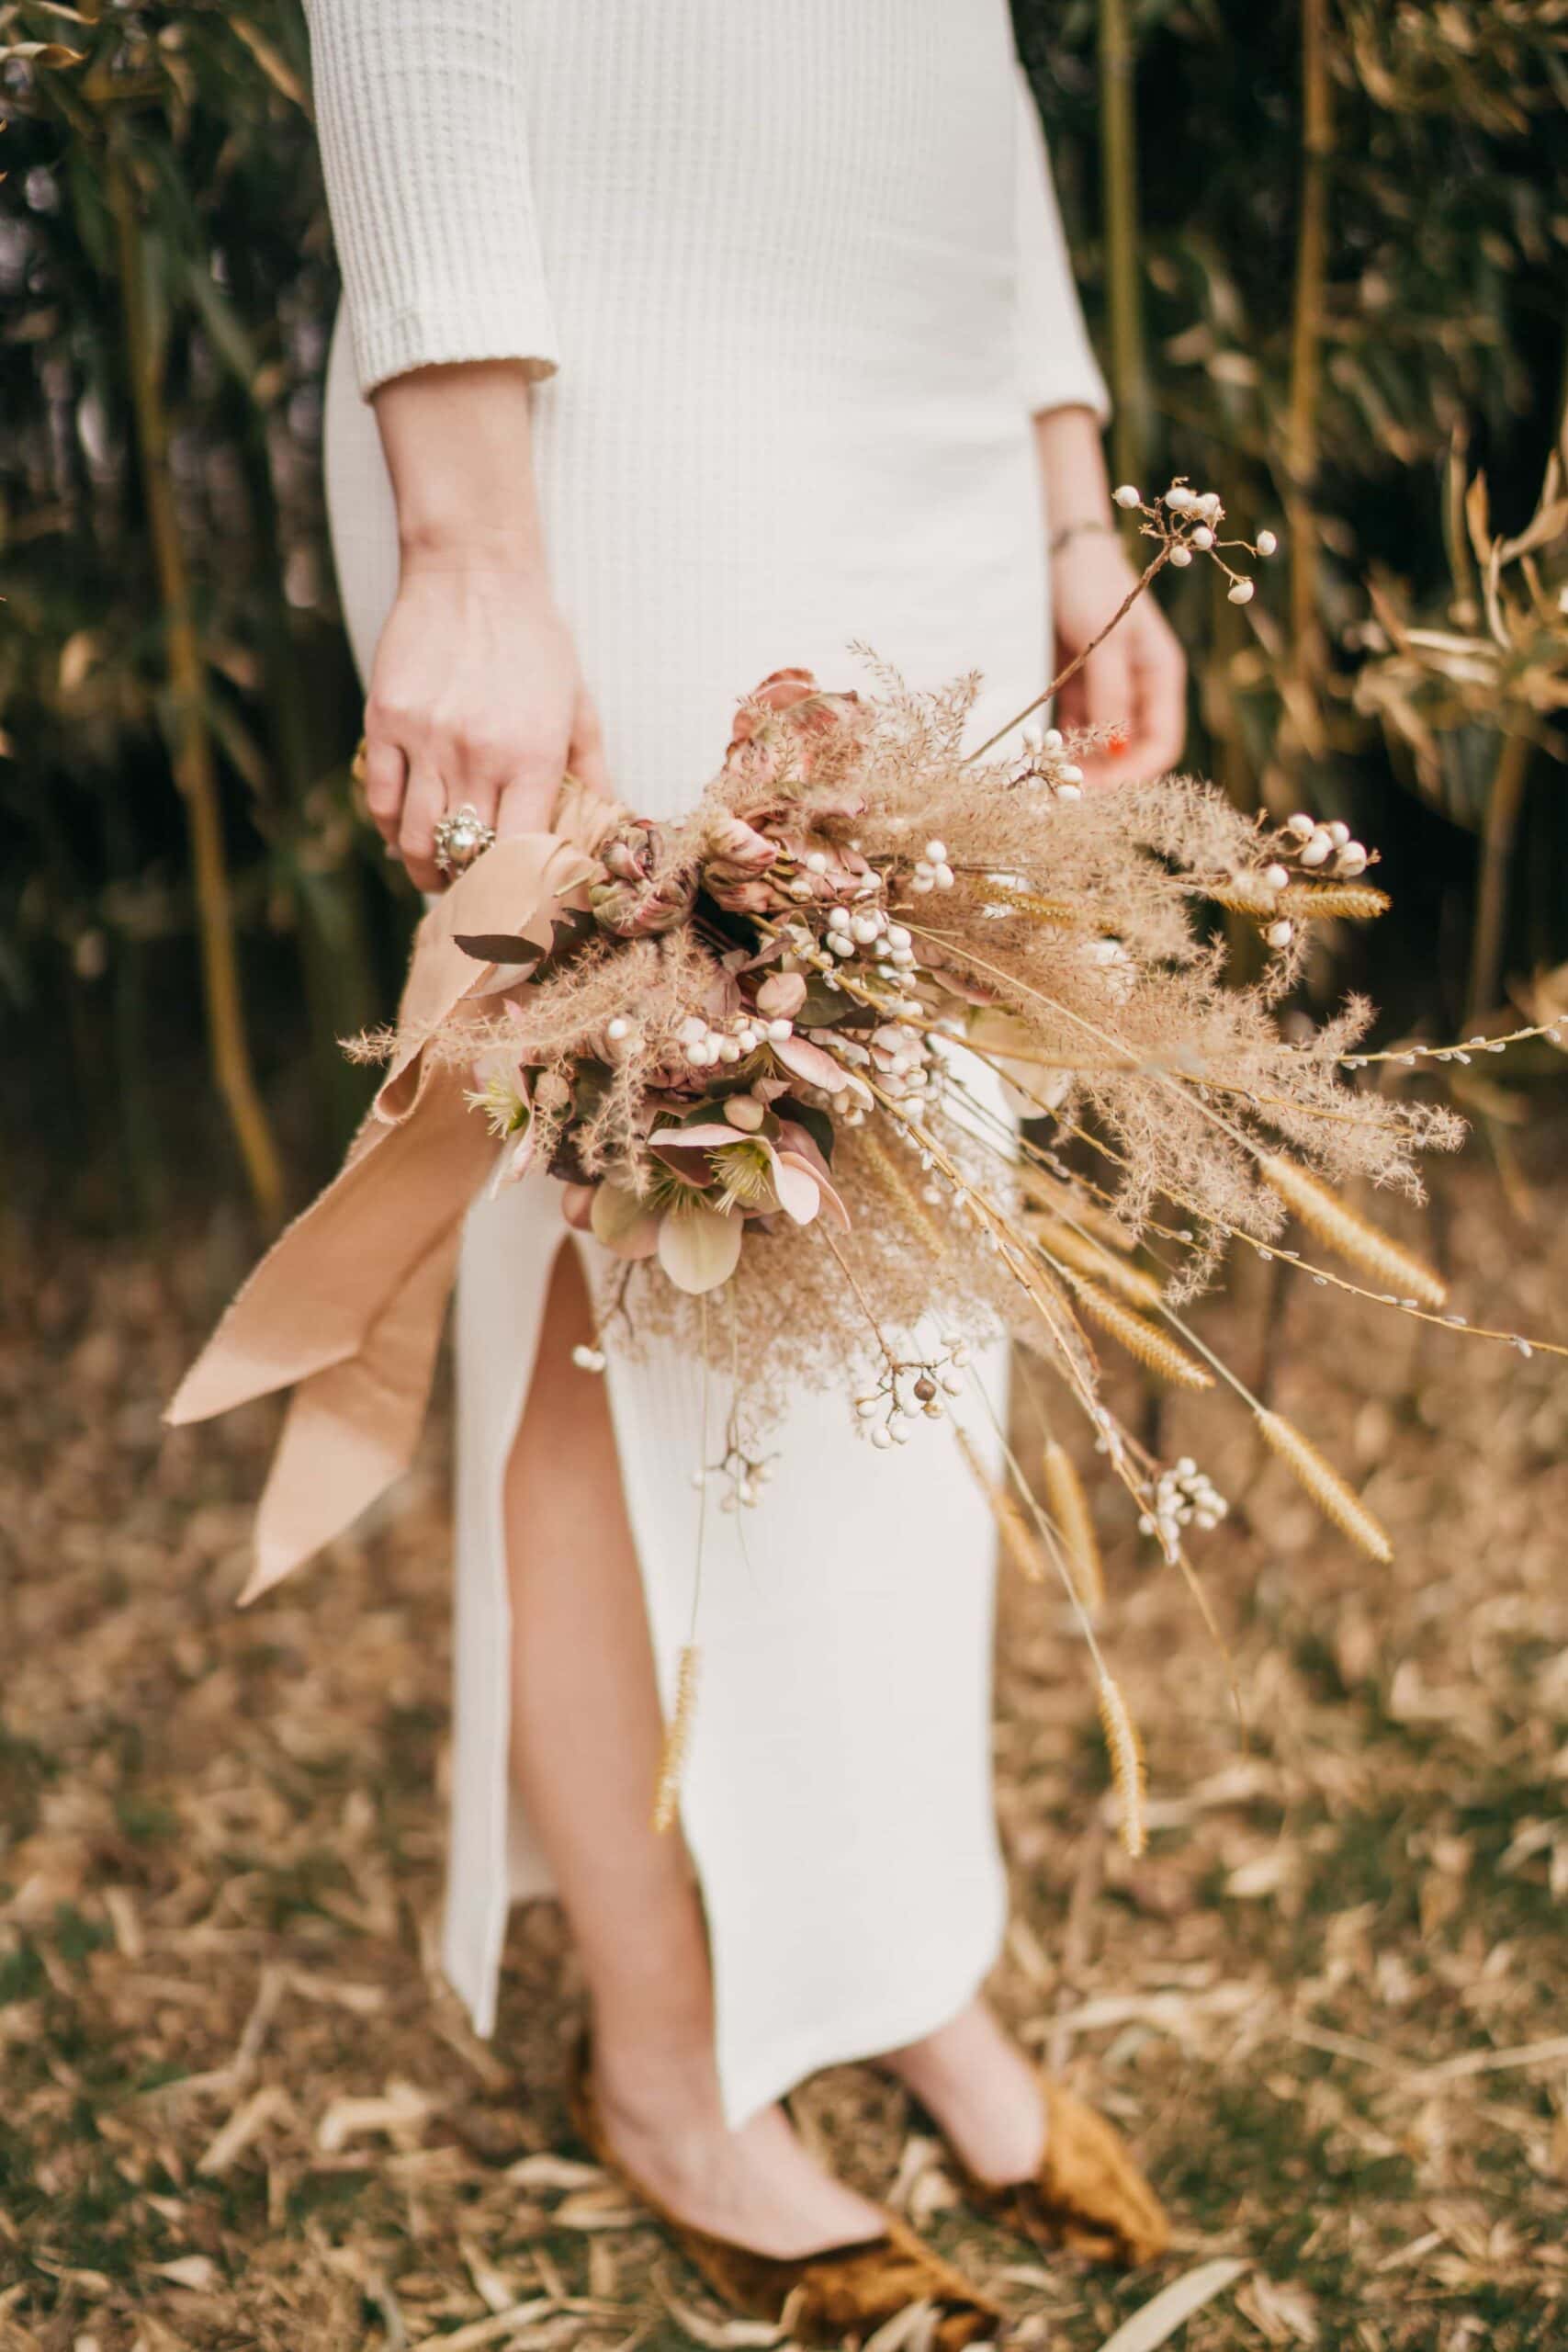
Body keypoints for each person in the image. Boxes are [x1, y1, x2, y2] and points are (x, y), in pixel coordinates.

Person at [306, 2, 1185, 2333]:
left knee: (906, 1236)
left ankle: (892, 1947)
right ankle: (668, 2051)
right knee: (644, 1228)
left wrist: (1070, 489)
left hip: (913, 352)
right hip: (610, 348)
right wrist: (468, 533)